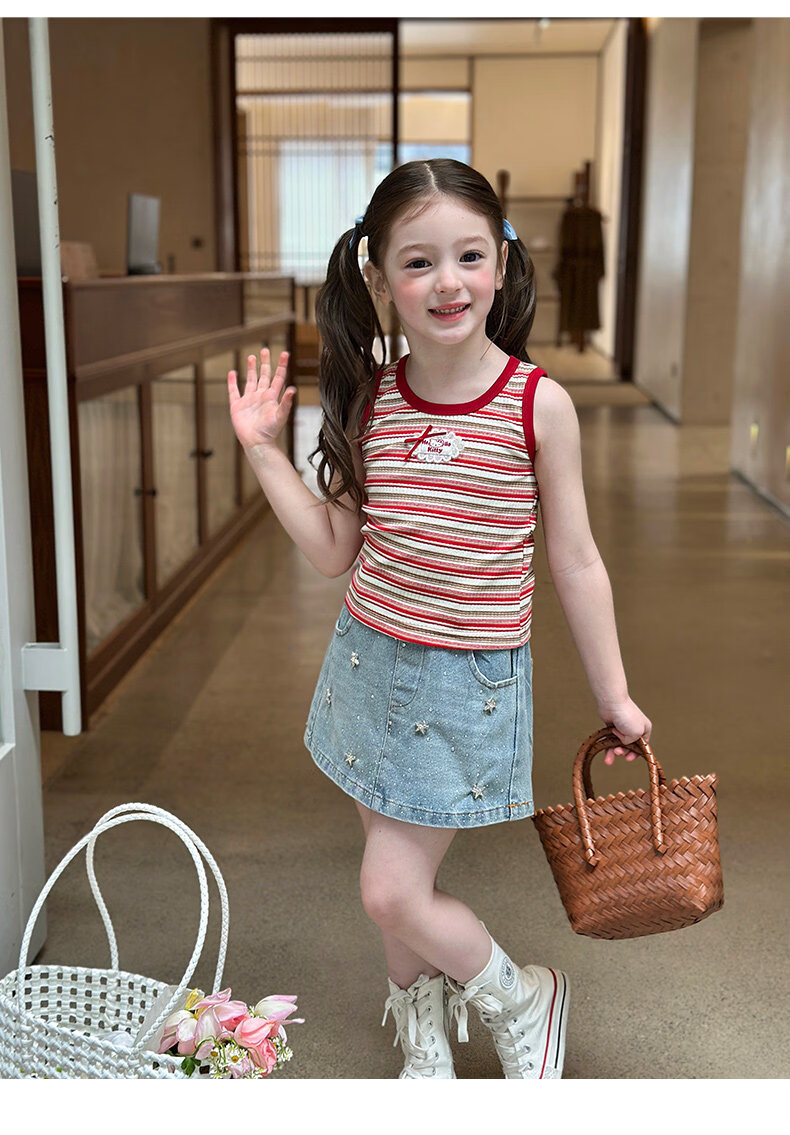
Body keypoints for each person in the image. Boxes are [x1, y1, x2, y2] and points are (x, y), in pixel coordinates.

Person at [227, 159, 651, 1080]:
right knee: (399, 877)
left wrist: (614, 693)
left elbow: (576, 560)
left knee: (389, 889)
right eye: (418, 262)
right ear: (380, 280)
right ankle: (427, 1045)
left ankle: (522, 995)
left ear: (501, 264)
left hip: (467, 686)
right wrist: (263, 452)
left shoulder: (539, 405)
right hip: (366, 665)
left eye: (468, 255)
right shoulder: (373, 395)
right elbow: (334, 548)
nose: (447, 281)